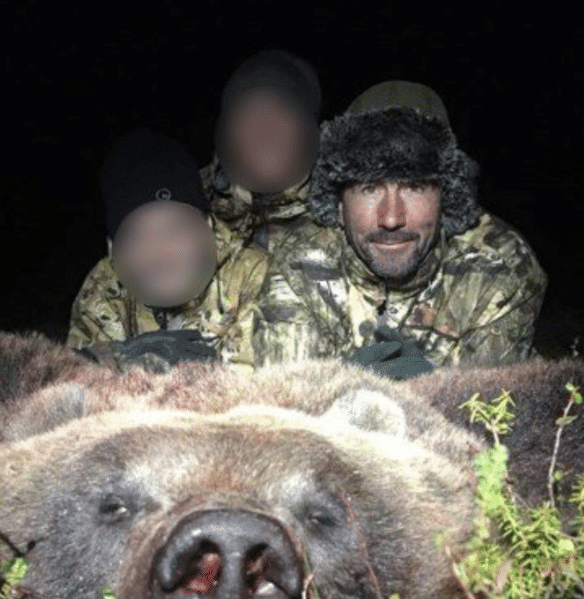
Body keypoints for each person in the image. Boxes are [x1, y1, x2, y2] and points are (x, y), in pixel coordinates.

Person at [254, 80, 547, 377]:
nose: (391, 218)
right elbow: (287, 406)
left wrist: (435, 389)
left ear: (447, 198)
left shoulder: (500, 267)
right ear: (339, 205)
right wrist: (337, 387)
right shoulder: (301, 262)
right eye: (369, 188)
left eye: (414, 187)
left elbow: (490, 413)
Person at [67, 129, 267, 370]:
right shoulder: (102, 289)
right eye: (137, 237)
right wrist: (131, 360)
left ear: (208, 226)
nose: (160, 256)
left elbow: (265, 393)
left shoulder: (257, 276)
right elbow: (78, 383)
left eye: (176, 230)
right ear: (112, 249)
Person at [201, 49, 321, 252]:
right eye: (248, 118)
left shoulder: (352, 210)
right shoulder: (190, 205)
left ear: (308, 129)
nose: (265, 133)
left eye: (282, 114)